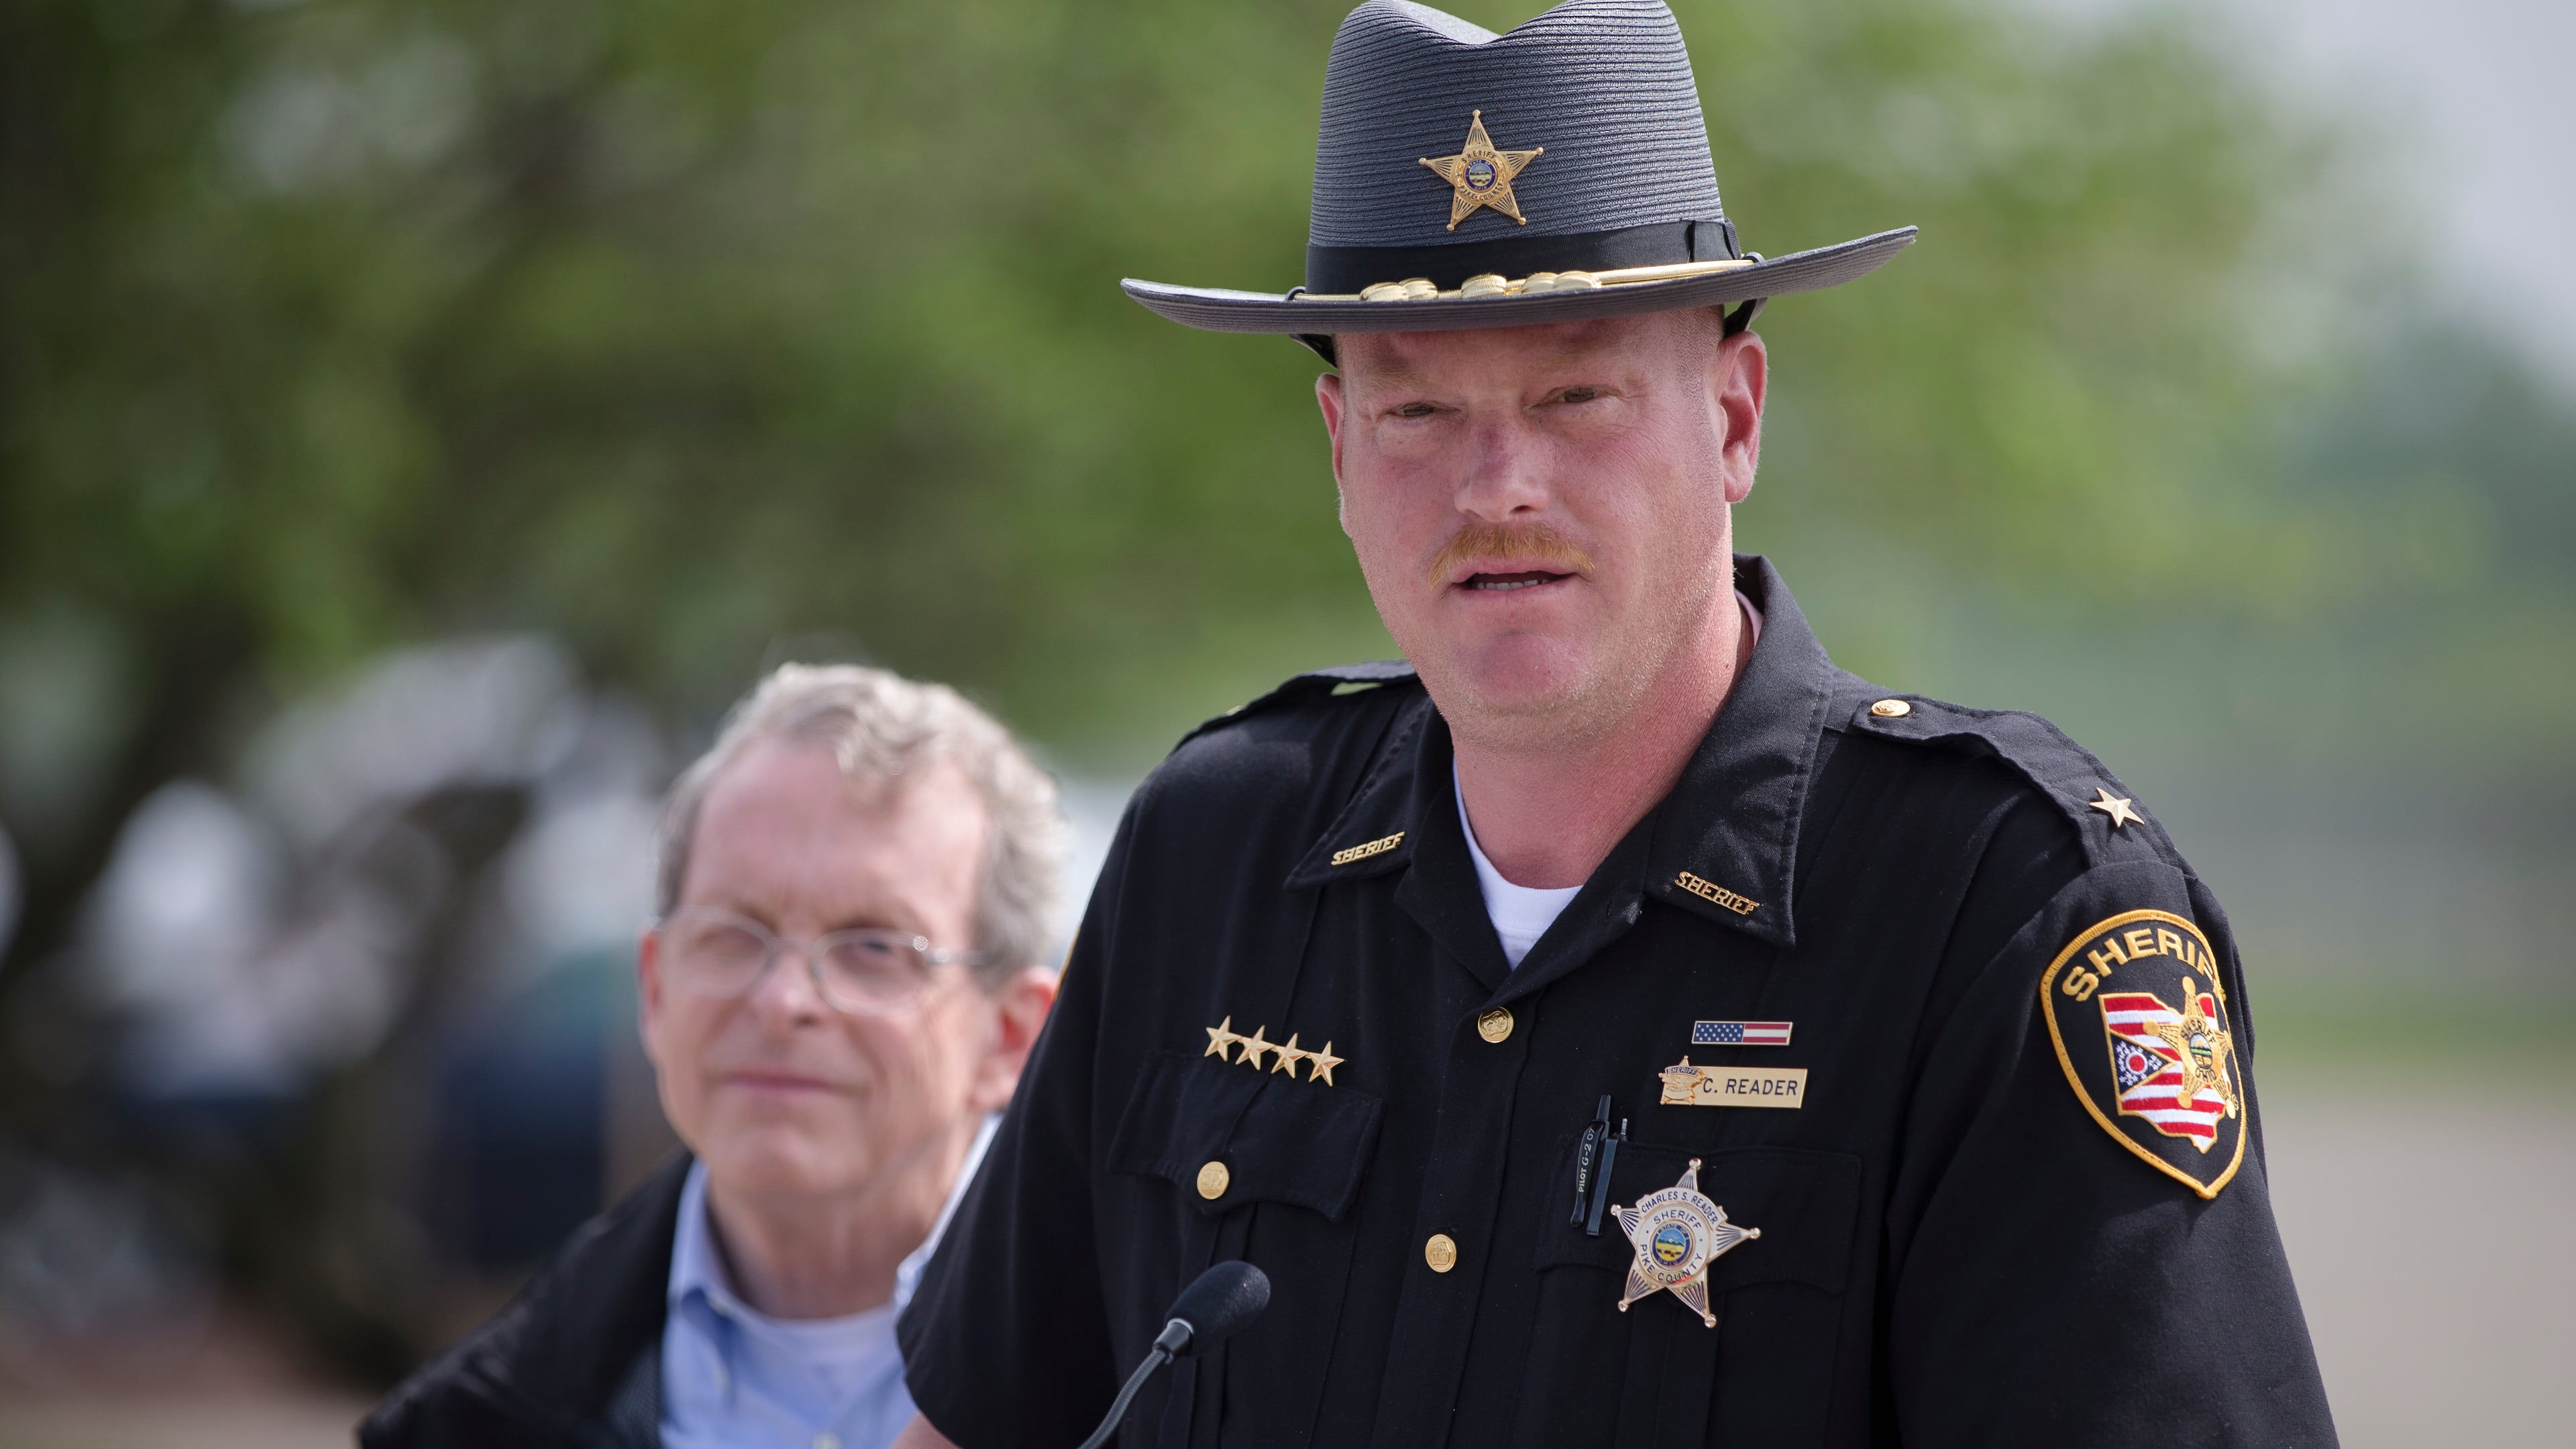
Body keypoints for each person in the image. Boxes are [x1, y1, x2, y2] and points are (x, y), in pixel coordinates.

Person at [893, 2, 2337, 1446]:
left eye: (1576, 393)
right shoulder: (1214, 852)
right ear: (1339, 448)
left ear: (1732, 417)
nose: (1498, 484)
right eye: (1418, 414)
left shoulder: (2000, 911)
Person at [363, 664, 1064, 1449]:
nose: (781, 1001)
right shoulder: (471, 1424)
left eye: (873, 946)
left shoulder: (1167, 1377)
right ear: (656, 990)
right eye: (734, 933)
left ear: (1010, 1038)